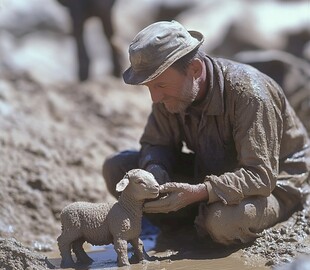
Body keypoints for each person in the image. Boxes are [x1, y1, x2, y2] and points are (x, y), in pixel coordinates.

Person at [102, 20, 310, 246]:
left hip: (274, 186)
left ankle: (205, 223)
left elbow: (259, 176)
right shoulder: (171, 93)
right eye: (149, 87)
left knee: (222, 222)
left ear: (195, 70)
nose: (154, 98)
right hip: (211, 172)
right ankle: (189, 225)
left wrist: (199, 192)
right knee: (118, 169)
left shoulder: (250, 94)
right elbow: (157, 143)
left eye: (160, 86)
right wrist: (156, 170)